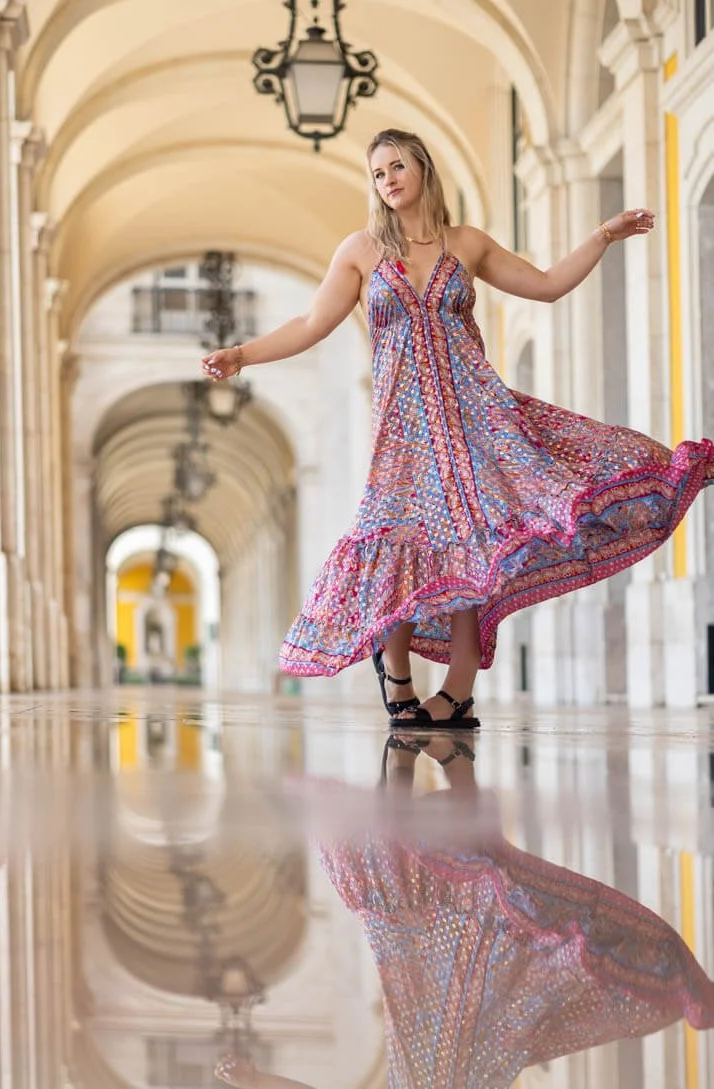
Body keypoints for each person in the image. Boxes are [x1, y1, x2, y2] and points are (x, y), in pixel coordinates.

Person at [202, 129, 713, 725]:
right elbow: (312, 321)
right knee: (394, 536)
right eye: (377, 173)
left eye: (397, 166)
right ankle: (396, 671)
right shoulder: (362, 250)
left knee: (470, 542)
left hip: (475, 417)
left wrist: (604, 234)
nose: (388, 180)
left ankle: (460, 686)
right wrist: (243, 355)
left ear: (422, 168)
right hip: (403, 428)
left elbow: (546, 286)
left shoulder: (466, 243)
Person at [216, 735, 714, 1088]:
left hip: (429, 1033)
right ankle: (445, 761)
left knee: (433, 902)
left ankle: (434, 760)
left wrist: (258, 1081)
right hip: (464, 1051)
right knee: (477, 917)